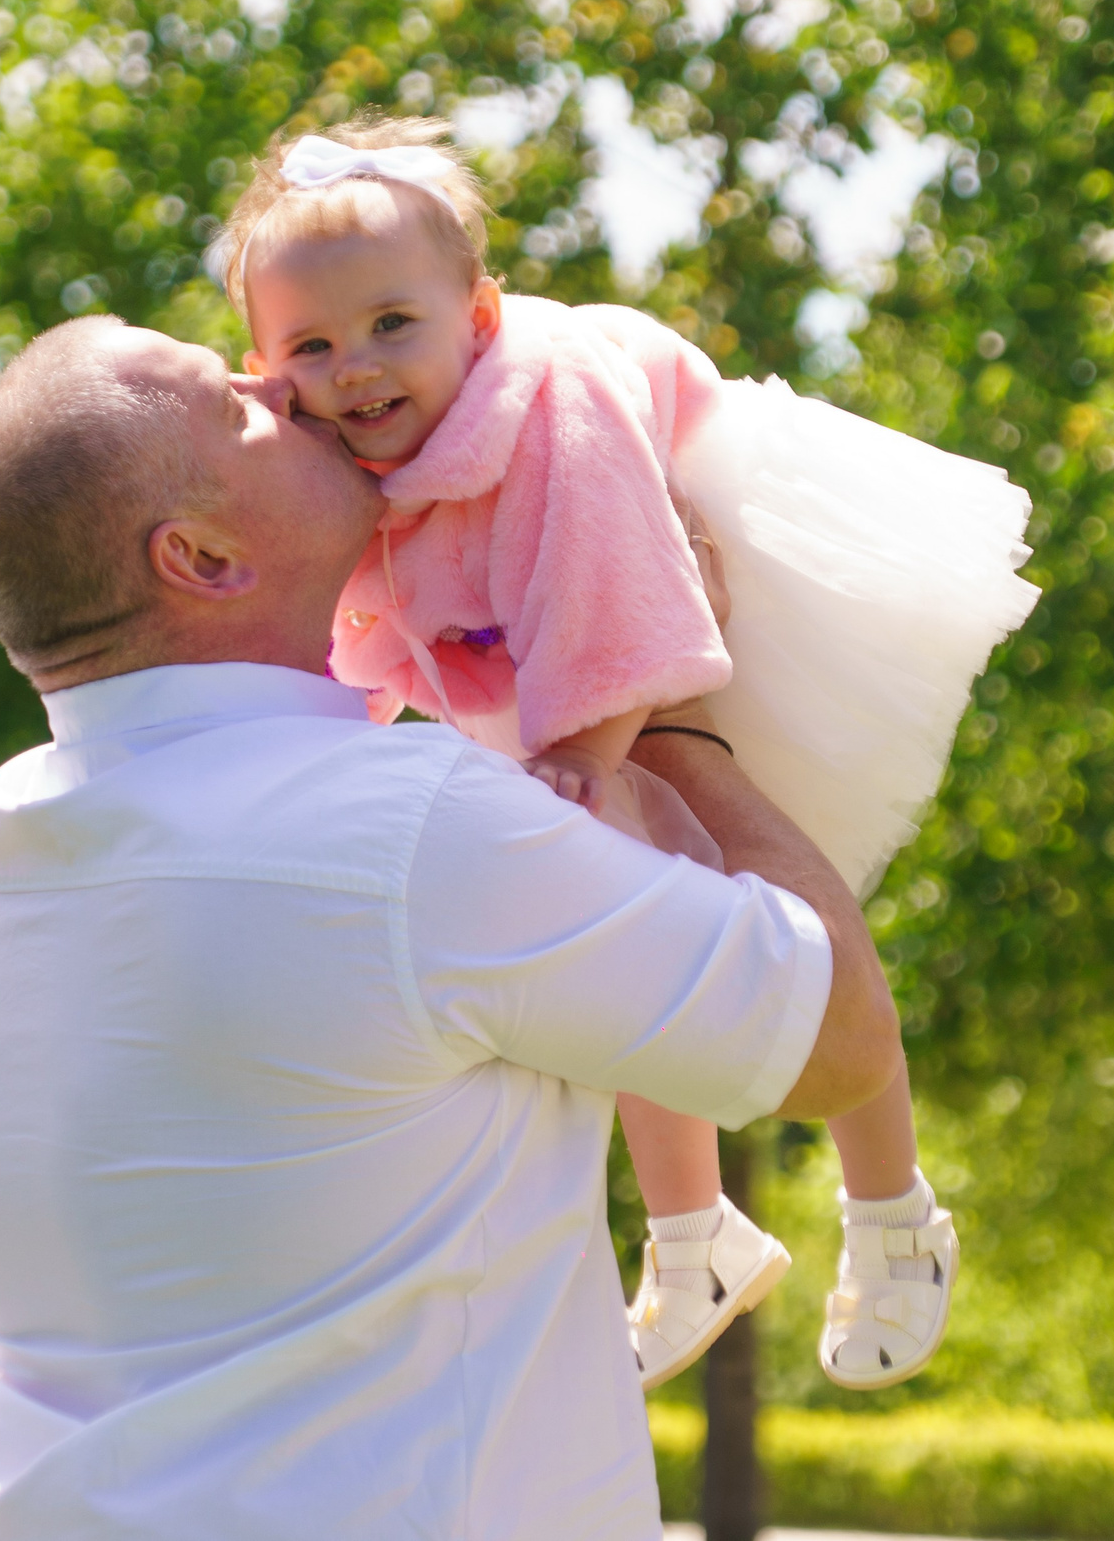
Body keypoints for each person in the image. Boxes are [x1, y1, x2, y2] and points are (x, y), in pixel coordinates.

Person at [0, 316, 903, 1538]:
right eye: (232, 406)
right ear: (202, 557)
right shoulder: (412, 828)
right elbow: (839, 1041)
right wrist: (671, 719)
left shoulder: (5, 838)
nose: (276, 381)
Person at [217, 116, 1039, 1391]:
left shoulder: (550, 401)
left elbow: (623, 587)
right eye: (310, 348)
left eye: (393, 325)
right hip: (538, 658)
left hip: (696, 603)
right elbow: (358, 628)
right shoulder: (335, 454)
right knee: (621, 949)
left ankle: (893, 1211)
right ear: (264, 371)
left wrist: (591, 752)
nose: (357, 368)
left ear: (478, 317)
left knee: (785, 907)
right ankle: (692, 1232)